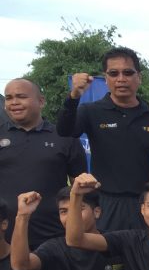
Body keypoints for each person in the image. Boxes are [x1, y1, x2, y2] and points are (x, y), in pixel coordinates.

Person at [57, 47, 149, 231]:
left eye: (128, 73)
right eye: (114, 73)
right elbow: (64, 131)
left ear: (139, 77)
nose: (121, 79)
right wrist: (74, 96)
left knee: (148, 250)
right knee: (107, 250)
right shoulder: (91, 111)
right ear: (105, 78)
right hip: (107, 204)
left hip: (147, 205)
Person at [2, 78, 87, 248]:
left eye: (21, 96)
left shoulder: (65, 137)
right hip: (4, 241)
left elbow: (79, 188)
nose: (14, 102)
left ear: (41, 101)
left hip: (53, 239)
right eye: (9, 98)